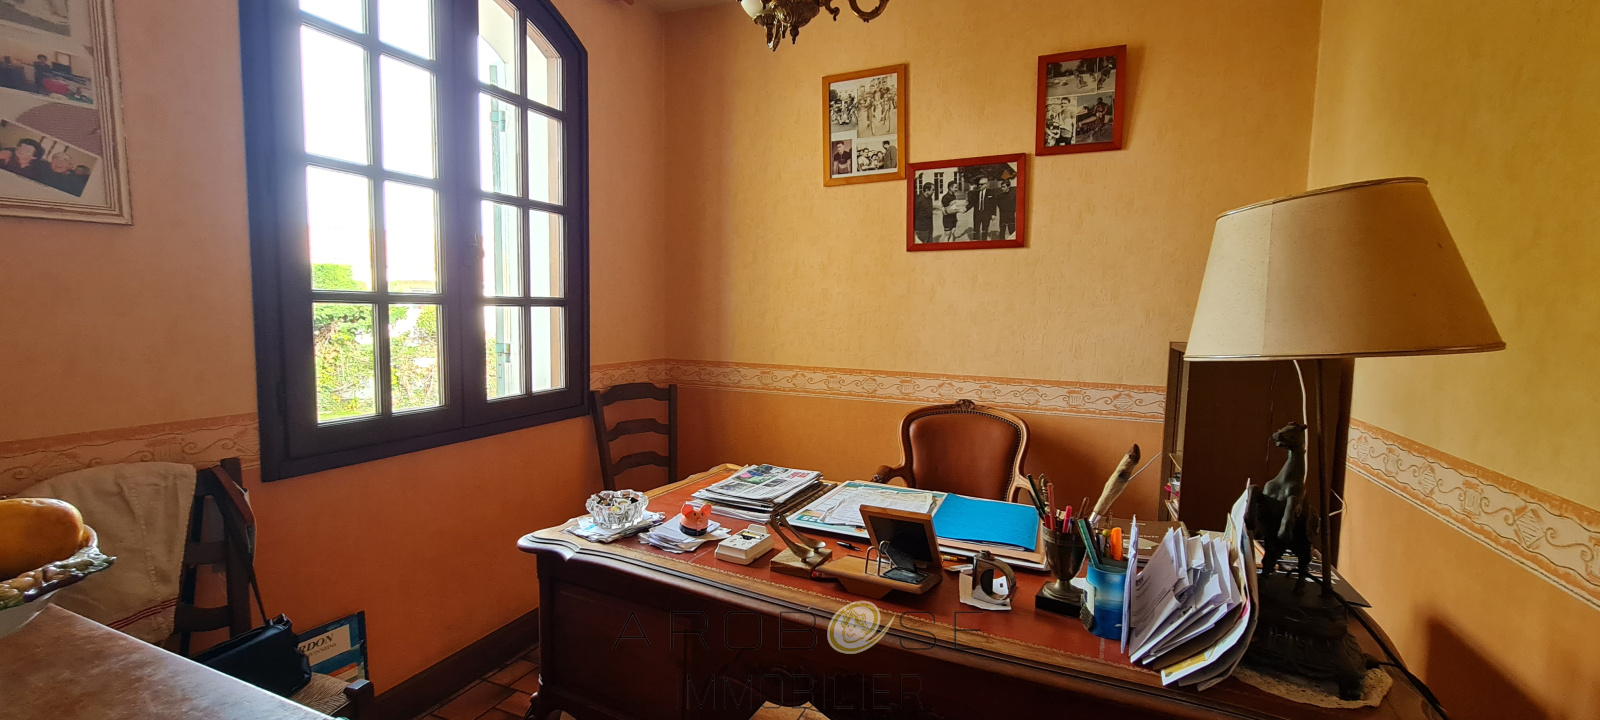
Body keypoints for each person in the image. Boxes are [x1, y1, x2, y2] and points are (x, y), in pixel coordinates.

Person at [969, 177, 999, 241]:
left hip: (986, 214)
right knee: (976, 228)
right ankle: (976, 240)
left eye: (982, 184)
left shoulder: (991, 193)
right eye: (979, 184)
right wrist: (965, 209)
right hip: (977, 213)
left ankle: (984, 241)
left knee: (985, 229)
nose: (980, 186)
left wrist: (993, 214)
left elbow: (993, 204)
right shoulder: (976, 193)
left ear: (986, 184)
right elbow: (972, 203)